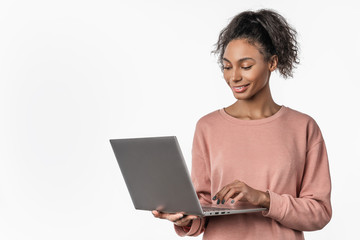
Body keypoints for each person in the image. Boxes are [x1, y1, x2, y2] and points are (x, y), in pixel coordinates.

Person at [152, 9, 332, 239]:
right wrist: (185, 217)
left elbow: (320, 212)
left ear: (272, 62)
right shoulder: (208, 127)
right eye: (227, 67)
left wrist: (264, 199)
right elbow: (203, 207)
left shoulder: (303, 127)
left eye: (245, 66)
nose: (234, 77)